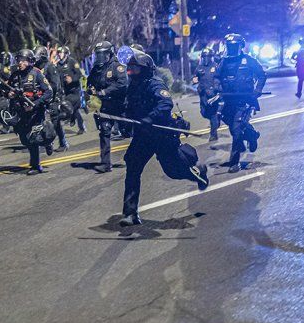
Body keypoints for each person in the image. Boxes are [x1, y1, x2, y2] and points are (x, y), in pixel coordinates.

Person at [120, 48, 209, 226]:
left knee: (173, 171)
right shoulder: (134, 86)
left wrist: (149, 118)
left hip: (162, 134)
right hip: (143, 136)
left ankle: (197, 173)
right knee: (132, 167)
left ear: (145, 69)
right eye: (130, 69)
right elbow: (129, 108)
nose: (131, 72)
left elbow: (165, 103)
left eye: (135, 68)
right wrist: (126, 124)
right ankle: (130, 213)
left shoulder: (155, 84)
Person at [216, 33, 267, 173]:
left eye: (234, 46)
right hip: (228, 101)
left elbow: (262, 75)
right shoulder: (224, 62)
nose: (231, 49)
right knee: (233, 128)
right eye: (229, 46)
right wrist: (217, 88)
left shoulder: (249, 60)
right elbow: (217, 77)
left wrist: (257, 90)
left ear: (240, 46)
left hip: (244, 100)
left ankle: (234, 162)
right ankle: (252, 135)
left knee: (237, 130)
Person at [8, 49, 54, 175]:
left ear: (30, 61)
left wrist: (35, 104)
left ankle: (36, 165)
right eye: (18, 60)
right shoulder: (15, 75)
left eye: (23, 61)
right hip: (22, 111)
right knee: (24, 139)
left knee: (33, 138)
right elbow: (8, 91)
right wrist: (10, 95)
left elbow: (49, 91)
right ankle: (46, 142)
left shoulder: (37, 74)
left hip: (36, 111)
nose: (20, 63)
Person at [87, 41, 128, 173]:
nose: (99, 58)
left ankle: (139, 155)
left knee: (129, 132)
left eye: (102, 55)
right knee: (104, 133)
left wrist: (105, 91)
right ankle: (105, 164)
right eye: (98, 55)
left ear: (109, 54)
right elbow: (90, 82)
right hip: (105, 106)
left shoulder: (117, 67)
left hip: (120, 105)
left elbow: (122, 84)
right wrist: (90, 90)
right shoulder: (96, 69)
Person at [35, 46, 69, 151]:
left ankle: (47, 143)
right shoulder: (37, 69)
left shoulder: (49, 67)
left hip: (53, 98)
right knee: (55, 122)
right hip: (43, 98)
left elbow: (55, 84)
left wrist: (45, 90)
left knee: (52, 122)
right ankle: (63, 143)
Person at [56, 46, 87, 134]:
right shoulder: (58, 65)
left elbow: (79, 74)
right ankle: (79, 125)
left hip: (75, 90)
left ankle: (74, 120)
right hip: (65, 91)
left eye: (61, 53)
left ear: (66, 54)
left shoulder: (72, 61)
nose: (59, 55)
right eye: (58, 53)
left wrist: (72, 79)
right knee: (73, 109)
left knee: (72, 107)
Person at [194, 48, 222, 141]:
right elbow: (195, 78)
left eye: (208, 56)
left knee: (213, 114)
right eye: (204, 57)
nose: (206, 58)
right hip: (203, 94)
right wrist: (195, 82)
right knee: (204, 113)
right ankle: (216, 121)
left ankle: (213, 135)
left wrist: (215, 88)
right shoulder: (199, 67)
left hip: (212, 94)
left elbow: (218, 79)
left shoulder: (215, 67)